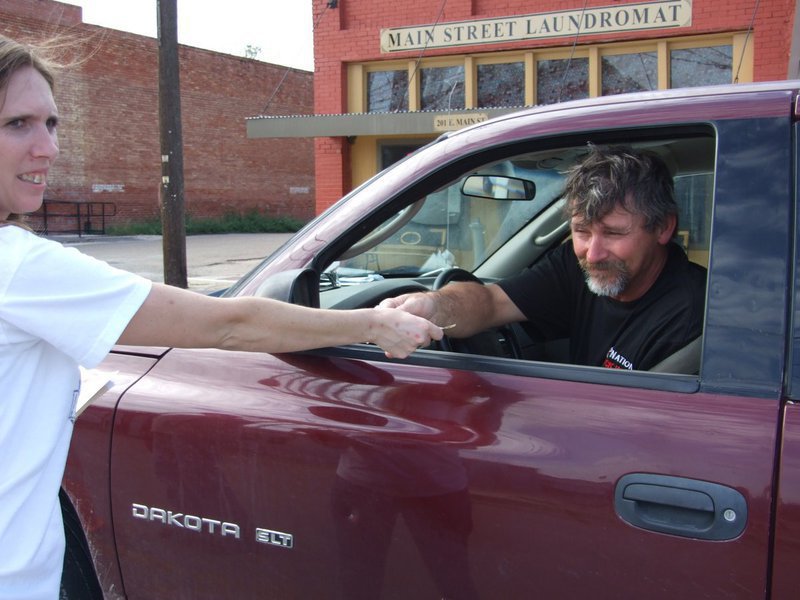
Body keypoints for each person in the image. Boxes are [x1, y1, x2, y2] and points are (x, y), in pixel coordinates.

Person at [0, 34, 443, 600]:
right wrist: (371, 326)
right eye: (18, 124)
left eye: (52, 123)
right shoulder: (19, 268)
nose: (47, 148)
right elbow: (228, 324)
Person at [381, 145, 706, 371]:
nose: (592, 253)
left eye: (614, 233)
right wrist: (434, 307)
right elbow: (492, 303)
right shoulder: (574, 265)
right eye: (582, 231)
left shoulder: (692, 315)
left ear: (663, 228)